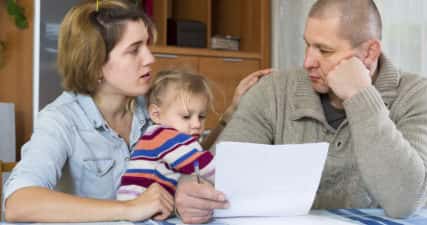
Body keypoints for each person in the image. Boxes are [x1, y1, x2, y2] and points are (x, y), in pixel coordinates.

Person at [174, 0, 427, 223]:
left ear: (369, 53)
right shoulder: (272, 90)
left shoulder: (420, 95)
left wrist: (361, 97)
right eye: (308, 44)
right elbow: (216, 176)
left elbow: (405, 201)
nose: (308, 61)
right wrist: (191, 190)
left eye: (325, 50)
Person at [3, 0, 269, 222]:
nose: (150, 58)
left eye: (147, 45)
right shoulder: (60, 120)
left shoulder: (151, 104)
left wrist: (229, 116)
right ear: (95, 64)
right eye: (134, 50)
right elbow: (18, 203)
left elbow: (188, 152)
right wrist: (129, 208)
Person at [116, 71, 216, 201]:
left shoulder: (161, 135)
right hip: (135, 205)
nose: (197, 124)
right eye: (186, 116)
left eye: (201, 116)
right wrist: (235, 175)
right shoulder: (164, 136)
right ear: (156, 114)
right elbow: (201, 164)